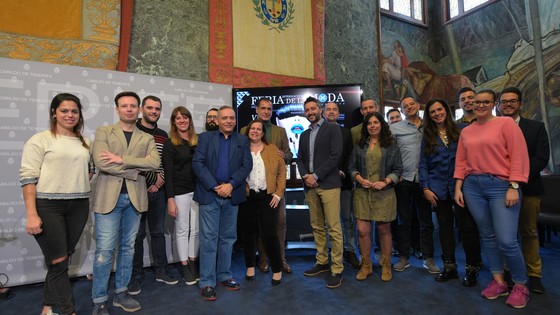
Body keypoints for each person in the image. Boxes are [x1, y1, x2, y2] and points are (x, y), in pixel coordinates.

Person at [454, 89, 530, 309]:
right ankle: (498, 281)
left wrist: (514, 185)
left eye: (485, 102)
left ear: (493, 103)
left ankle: (520, 284)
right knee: (487, 236)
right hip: (472, 187)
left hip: (501, 186)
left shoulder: (506, 124)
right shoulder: (467, 131)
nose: (480, 105)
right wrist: (459, 187)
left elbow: (519, 155)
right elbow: (461, 161)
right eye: (476, 102)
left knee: (507, 240)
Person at [20, 93, 93, 315]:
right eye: (64, 110)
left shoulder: (84, 141)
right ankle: (68, 310)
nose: (69, 115)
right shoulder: (40, 139)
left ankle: (48, 306)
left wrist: (72, 181)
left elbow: (90, 171)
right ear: (54, 113)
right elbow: (28, 178)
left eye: (74, 111)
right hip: (48, 206)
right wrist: (31, 214)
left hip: (79, 205)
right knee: (59, 260)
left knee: (62, 259)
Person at [91, 91, 160, 315]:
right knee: (105, 250)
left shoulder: (147, 137)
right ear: (117, 109)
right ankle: (99, 300)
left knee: (127, 249)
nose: (129, 109)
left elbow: (154, 162)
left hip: (134, 200)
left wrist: (122, 159)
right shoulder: (104, 132)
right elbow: (101, 162)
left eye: (133, 106)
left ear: (139, 110)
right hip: (108, 198)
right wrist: (133, 171)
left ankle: (121, 293)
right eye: (124, 106)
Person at [193, 106, 252, 301]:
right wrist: (215, 186)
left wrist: (231, 184)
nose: (228, 121)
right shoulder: (205, 138)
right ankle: (207, 282)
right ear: (216, 120)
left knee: (228, 238)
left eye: (231, 118)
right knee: (209, 239)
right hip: (210, 194)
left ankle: (224, 275)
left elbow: (246, 165)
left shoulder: (242, 140)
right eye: (224, 118)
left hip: (232, 195)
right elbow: (198, 164)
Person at [498, 86, 550, 294]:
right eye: (504, 101)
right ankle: (509, 272)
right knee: (506, 235)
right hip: (500, 191)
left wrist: (517, 178)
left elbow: (540, 158)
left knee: (529, 232)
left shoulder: (536, 127)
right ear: (499, 105)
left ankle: (534, 275)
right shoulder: (494, 128)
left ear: (520, 104)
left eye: (512, 101)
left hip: (529, 189)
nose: (508, 104)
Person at [419, 99, 477, 283]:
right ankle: (449, 267)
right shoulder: (427, 135)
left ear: (446, 110)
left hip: (461, 187)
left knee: (467, 228)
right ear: (429, 115)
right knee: (445, 229)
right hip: (437, 189)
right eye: (433, 111)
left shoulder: (461, 130)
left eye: (440, 109)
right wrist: (425, 188)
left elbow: (471, 158)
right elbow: (423, 164)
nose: (437, 113)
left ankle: (472, 268)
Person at [129, 96, 178, 296]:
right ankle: (136, 276)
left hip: (158, 191)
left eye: (157, 108)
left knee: (157, 232)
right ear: (142, 109)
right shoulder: (132, 131)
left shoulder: (162, 135)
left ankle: (161, 270)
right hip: (136, 188)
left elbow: (166, 163)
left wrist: (160, 181)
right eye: (150, 108)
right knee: (137, 235)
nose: (154, 111)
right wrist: (150, 179)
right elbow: (131, 161)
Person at [240, 97, 293, 274]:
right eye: (263, 108)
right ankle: (263, 259)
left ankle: (281, 258)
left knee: (280, 222)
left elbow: (289, 154)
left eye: (269, 109)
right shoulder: (243, 131)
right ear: (257, 109)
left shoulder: (280, 131)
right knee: (259, 225)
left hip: (275, 188)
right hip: (253, 189)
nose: (266, 111)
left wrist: (282, 156)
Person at [349, 112, 402, 282]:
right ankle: (366, 265)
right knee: (363, 231)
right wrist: (359, 179)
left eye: (376, 122)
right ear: (366, 127)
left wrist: (385, 181)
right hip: (363, 193)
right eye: (369, 123)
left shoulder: (391, 145)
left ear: (382, 124)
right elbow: (351, 168)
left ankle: (386, 264)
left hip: (384, 192)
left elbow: (398, 169)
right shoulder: (359, 145)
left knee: (383, 230)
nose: (372, 125)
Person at [297, 97, 344, 289]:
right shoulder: (304, 135)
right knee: (317, 227)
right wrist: (306, 176)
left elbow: (335, 156)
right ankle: (322, 262)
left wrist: (315, 175)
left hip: (329, 185)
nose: (310, 112)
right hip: (310, 187)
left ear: (320, 109)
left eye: (313, 108)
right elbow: (299, 159)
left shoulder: (333, 128)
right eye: (307, 110)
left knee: (334, 228)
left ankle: (337, 269)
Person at [390, 97, 439, 274]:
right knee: (404, 220)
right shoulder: (394, 128)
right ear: (401, 110)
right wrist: (396, 174)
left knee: (426, 221)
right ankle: (404, 257)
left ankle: (428, 258)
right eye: (405, 106)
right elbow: (389, 153)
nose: (409, 107)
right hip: (404, 180)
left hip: (425, 180)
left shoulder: (430, 126)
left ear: (418, 106)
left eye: (412, 104)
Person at [162, 106, 199, 285]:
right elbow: (167, 173)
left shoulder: (197, 140)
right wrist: (170, 199)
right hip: (179, 191)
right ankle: (184, 265)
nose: (182, 121)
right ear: (174, 122)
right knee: (183, 230)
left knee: (197, 230)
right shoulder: (170, 143)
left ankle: (193, 261)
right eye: (178, 118)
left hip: (199, 191)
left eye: (185, 117)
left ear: (190, 120)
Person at [323, 102, 360, 268]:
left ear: (338, 113)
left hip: (343, 182)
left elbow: (350, 155)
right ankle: (333, 251)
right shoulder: (319, 132)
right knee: (328, 221)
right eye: (328, 109)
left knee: (347, 219)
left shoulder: (347, 132)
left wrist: (343, 171)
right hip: (324, 182)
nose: (331, 112)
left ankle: (350, 250)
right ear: (323, 113)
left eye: (334, 109)